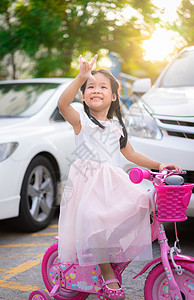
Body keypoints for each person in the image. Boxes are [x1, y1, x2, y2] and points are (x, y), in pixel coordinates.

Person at [58, 54, 181, 300]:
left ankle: (109, 250)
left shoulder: (116, 126)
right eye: (90, 87)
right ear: (83, 96)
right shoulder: (81, 121)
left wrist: (159, 165)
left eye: (103, 86)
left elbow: (131, 153)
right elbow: (62, 104)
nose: (96, 90)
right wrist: (81, 76)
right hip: (88, 185)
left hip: (114, 184)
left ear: (113, 96)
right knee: (93, 220)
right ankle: (106, 271)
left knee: (144, 204)